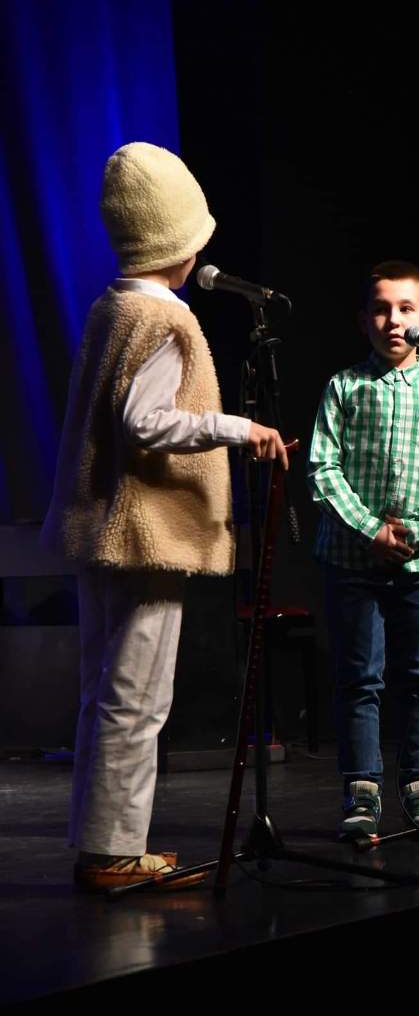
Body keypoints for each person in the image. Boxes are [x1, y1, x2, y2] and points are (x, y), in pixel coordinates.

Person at [42, 142, 287, 890]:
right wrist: (236, 428)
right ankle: (114, 853)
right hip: (144, 532)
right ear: (176, 243)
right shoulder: (162, 320)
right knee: (137, 696)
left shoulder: (111, 307)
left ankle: (102, 845)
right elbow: (145, 422)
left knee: (106, 691)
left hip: (105, 529)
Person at [308, 259, 419, 841]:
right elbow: (323, 468)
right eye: (381, 309)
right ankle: (362, 791)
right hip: (353, 560)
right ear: (364, 320)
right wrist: (370, 530)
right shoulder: (344, 387)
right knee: (361, 678)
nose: (393, 320)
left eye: (406, 309)